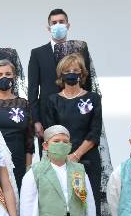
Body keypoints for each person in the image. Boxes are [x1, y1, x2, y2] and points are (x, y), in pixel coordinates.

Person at [42, 53, 104, 216]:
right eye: (67, 70)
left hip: (87, 160)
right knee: (64, 208)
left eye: (75, 70)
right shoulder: (53, 100)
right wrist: (65, 157)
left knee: (86, 208)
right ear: (61, 74)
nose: (71, 73)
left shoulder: (93, 98)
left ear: (82, 73)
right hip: (61, 161)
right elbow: (51, 132)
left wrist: (76, 156)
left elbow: (94, 131)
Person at [27, 8, 93, 139]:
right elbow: (33, 89)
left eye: (61, 22)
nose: (58, 25)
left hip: (77, 112)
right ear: (49, 27)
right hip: (47, 115)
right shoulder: (37, 53)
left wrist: (88, 113)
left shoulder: (80, 50)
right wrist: (36, 120)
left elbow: (88, 82)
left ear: (68, 25)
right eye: (54, 22)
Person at [0, 50, 34, 186]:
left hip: (17, 160)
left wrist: (28, 168)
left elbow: (29, 141)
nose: (3, 77)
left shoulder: (23, 103)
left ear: (15, 77)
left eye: (8, 74)